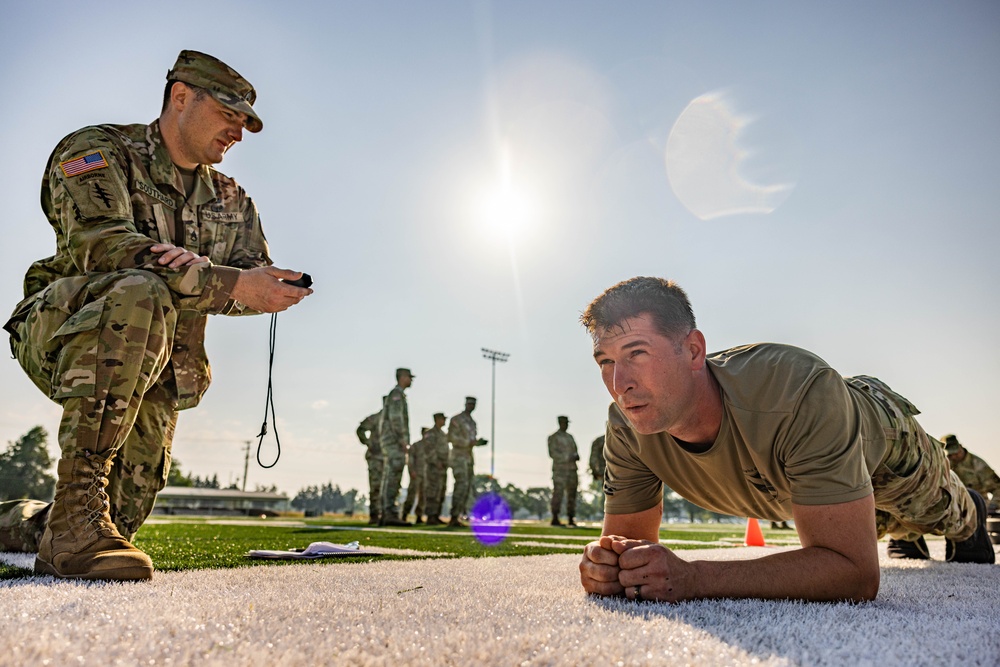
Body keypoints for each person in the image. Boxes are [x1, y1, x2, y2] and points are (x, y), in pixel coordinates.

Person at [0, 50, 312, 581]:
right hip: (67, 327)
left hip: (158, 363)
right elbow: (103, 246)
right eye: (228, 114)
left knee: (119, 519)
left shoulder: (233, 201)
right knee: (142, 288)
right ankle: (72, 521)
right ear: (181, 96)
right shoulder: (98, 151)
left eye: (244, 123)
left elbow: (244, 281)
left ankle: (27, 523)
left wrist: (269, 288)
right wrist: (226, 281)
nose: (237, 133)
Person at [578, 277, 994, 604]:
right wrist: (609, 568)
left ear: (692, 351)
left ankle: (968, 510)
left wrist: (694, 577)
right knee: (874, 526)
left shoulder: (796, 391)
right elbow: (629, 549)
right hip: (800, 482)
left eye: (636, 353)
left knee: (939, 513)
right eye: (606, 362)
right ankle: (901, 530)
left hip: (881, 445)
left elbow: (855, 574)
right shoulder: (626, 428)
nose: (620, 384)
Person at [379, 368, 413, 526]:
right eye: (409, 377)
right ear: (402, 377)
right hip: (394, 442)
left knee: (390, 475)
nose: (411, 380)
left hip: (392, 441)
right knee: (393, 476)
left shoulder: (397, 394)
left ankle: (386, 513)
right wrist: (402, 440)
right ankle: (389, 513)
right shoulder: (397, 395)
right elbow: (396, 419)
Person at [448, 396, 487, 528]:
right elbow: (452, 438)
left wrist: (477, 443)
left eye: (474, 404)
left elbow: (472, 440)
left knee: (467, 487)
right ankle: (454, 516)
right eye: (470, 404)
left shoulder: (472, 422)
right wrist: (468, 443)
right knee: (461, 485)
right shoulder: (456, 420)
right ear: (465, 404)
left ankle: (459, 514)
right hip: (458, 457)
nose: (471, 406)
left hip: (469, 457)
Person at [942, 434, 1000, 515]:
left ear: (960, 447)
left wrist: (992, 506)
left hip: (976, 511)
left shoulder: (978, 465)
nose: (954, 457)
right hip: (950, 513)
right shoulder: (942, 465)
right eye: (950, 455)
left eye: (956, 453)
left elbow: (997, 487)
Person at [356, 399, 387, 525]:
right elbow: (361, 429)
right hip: (375, 456)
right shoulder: (376, 418)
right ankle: (374, 515)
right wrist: (368, 442)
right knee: (375, 486)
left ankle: (386, 514)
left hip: (388, 457)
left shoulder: (393, 420)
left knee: (388, 488)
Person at [548, 416, 580, 527]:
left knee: (572, 494)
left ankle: (571, 517)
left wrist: (576, 456)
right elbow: (552, 454)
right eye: (564, 423)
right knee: (558, 494)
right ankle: (555, 517)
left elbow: (575, 450)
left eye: (567, 423)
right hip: (559, 471)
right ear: (560, 423)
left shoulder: (570, 437)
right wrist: (568, 457)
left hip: (572, 470)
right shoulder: (553, 437)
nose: (566, 425)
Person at [423, 413, 450, 526]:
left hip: (443, 467)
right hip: (434, 467)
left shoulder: (443, 434)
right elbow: (429, 450)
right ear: (437, 419)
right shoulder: (430, 434)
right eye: (443, 419)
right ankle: (431, 516)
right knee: (432, 491)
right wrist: (436, 461)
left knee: (441, 491)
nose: (444, 421)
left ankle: (436, 515)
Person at [402, 427, 428, 524]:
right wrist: (412, 471)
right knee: (411, 496)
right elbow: (410, 460)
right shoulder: (416, 446)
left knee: (423, 497)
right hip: (416, 474)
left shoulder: (430, 446)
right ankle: (404, 515)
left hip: (426, 475)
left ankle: (419, 516)